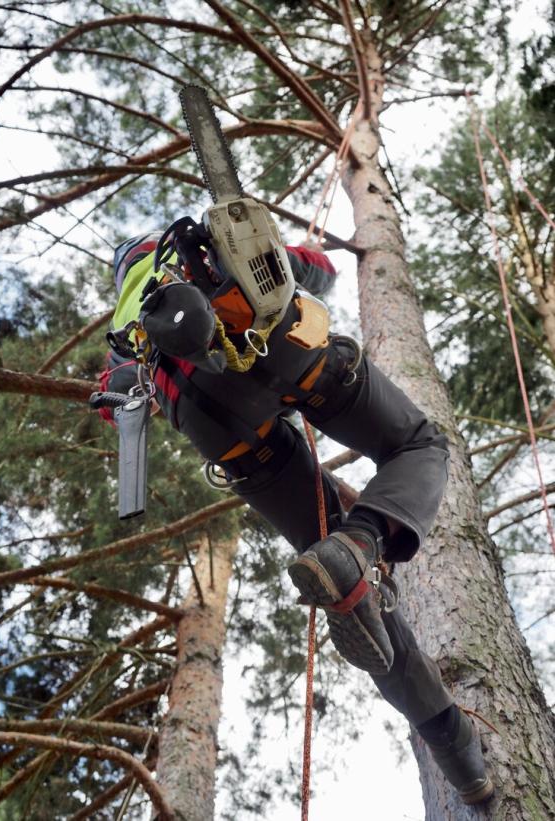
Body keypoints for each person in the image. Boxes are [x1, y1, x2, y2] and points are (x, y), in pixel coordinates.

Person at [101, 229, 494, 805]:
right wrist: (314, 269)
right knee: (418, 445)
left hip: (214, 421)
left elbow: (120, 406)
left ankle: (452, 745)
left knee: (355, 596)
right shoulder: (202, 244)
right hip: (278, 345)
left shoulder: (126, 328)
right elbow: (309, 267)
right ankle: (362, 542)